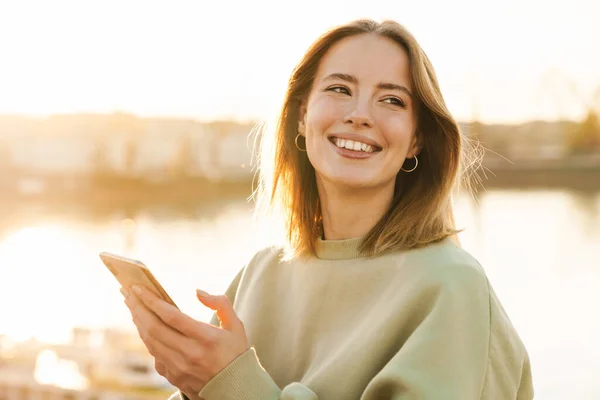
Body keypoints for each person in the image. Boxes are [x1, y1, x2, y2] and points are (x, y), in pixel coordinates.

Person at [119, 19, 534, 400]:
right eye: (339, 89)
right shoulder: (261, 274)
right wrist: (192, 381)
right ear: (302, 114)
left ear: (416, 141)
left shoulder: (451, 286)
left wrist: (229, 381)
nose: (359, 116)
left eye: (391, 100)